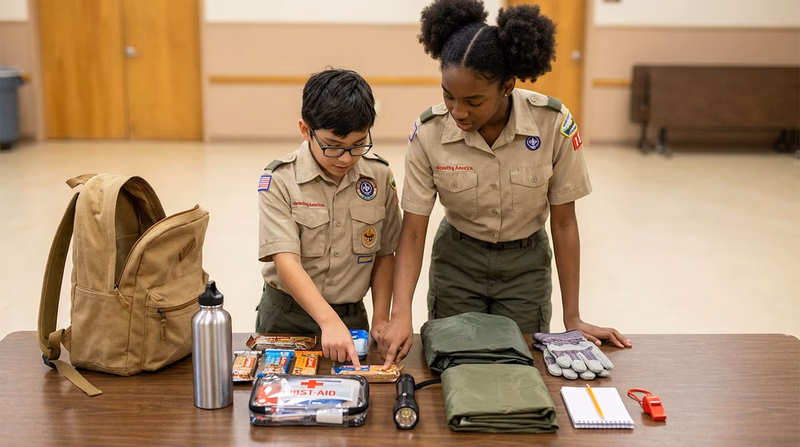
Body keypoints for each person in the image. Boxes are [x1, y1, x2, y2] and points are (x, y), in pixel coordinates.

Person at [377, 0, 631, 368]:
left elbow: (563, 222)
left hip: (525, 267)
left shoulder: (552, 124)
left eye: (474, 100)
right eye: (448, 95)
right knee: (454, 363)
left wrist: (572, 317)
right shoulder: (430, 133)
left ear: (508, 86)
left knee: (520, 365)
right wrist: (401, 314)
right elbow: (413, 231)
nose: (458, 111)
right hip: (457, 264)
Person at [256, 68, 402, 367]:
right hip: (288, 317)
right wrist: (328, 322)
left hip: (353, 319)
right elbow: (286, 261)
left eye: (358, 144)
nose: (346, 158)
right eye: (333, 146)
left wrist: (381, 317)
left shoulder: (378, 175)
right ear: (305, 130)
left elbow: (385, 253)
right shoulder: (280, 180)